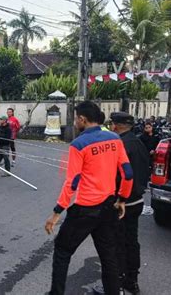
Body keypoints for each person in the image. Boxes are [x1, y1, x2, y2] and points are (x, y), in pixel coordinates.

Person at [44, 101, 133, 295]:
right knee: (108, 255)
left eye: (76, 118)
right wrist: (123, 199)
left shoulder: (79, 144)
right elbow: (127, 173)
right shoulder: (115, 139)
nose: (75, 122)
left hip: (84, 209)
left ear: (83, 119)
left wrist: (57, 211)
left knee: (62, 251)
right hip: (108, 207)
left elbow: (72, 182)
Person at [109, 112, 150, 294]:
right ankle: (132, 280)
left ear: (115, 126)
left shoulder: (121, 145)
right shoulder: (139, 143)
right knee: (131, 241)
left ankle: (117, 283)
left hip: (122, 202)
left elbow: (121, 176)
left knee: (118, 242)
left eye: (111, 124)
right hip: (138, 200)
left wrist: (119, 200)